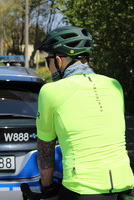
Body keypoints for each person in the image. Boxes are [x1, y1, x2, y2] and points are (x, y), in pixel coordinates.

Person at [22, 26, 134, 200]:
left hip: (83, 188)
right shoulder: (114, 85)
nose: (48, 66)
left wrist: (48, 187)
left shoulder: (51, 91)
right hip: (125, 185)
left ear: (58, 60)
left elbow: (45, 148)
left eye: (48, 60)